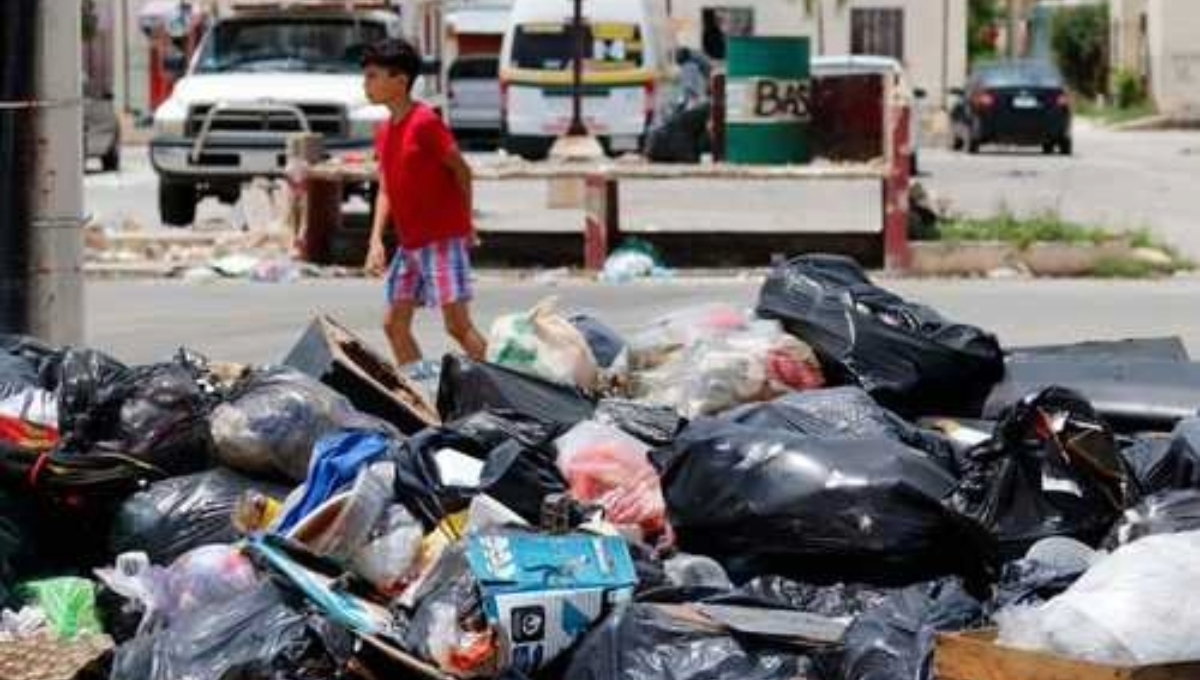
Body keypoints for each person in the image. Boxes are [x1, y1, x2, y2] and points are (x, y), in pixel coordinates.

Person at [362, 38, 487, 366]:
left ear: (400, 81)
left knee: (457, 327)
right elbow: (386, 188)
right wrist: (375, 239)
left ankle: (500, 389)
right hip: (410, 244)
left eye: (373, 76)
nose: (367, 84)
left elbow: (462, 171)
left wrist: (466, 223)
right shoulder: (384, 130)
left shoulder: (425, 122)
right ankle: (421, 391)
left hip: (442, 240)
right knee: (393, 326)